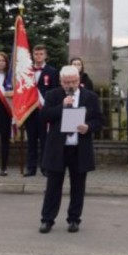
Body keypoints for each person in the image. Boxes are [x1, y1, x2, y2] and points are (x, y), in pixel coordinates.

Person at [38, 65, 104, 234]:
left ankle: (74, 219)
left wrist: (88, 127)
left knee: (78, 186)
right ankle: (47, 219)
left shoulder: (90, 97)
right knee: (53, 186)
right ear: (61, 82)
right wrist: (62, 106)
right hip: (58, 149)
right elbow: (44, 116)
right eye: (67, 82)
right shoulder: (52, 95)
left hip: (79, 148)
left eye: (74, 81)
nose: (70, 85)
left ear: (79, 80)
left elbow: (99, 120)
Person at [24, 45, 59, 177]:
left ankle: (45, 167)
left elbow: (55, 91)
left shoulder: (52, 71)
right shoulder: (27, 71)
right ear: (33, 55)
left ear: (45, 56)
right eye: (36, 54)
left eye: (41, 54)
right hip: (31, 111)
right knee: (31, 140)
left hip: (45, 111)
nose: (38, 56)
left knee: (45, 141)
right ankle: (31, 167)